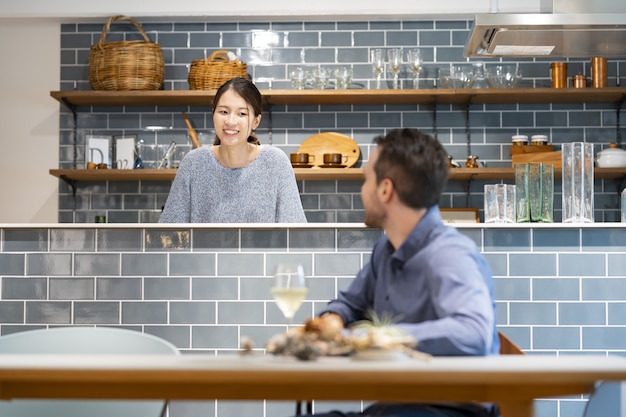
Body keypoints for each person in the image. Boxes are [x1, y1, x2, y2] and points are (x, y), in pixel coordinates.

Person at [300, 128, 499, 417]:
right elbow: (351, 304)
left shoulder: (449, 254)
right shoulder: (386, 250)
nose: (361, 190)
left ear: (385, 189)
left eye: (366, 178)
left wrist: (381, 338)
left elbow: (473, 333)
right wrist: (331, 320)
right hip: (398, 407)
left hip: (447, 412)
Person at [159, 77, 306, 223]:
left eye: (242, 114)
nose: (230, 121)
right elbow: (167, 234)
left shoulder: (275, 162)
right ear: (213, 115)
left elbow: (294, 234)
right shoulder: (194, 163)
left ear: (256, 121)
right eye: (223, 112)